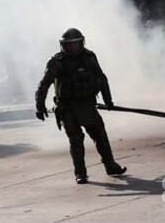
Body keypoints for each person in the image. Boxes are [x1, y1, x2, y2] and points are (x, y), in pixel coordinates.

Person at [35, 28, 126, 184]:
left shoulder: (89, 57)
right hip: (67, 108)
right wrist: (40, 105)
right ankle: (80, 174)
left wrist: (108, 100)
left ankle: (110, 166)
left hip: (87, 105)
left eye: (76, 44)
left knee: (100, 136)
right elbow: (44, 85)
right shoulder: (57, 62)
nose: (73, 48)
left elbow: (102, 79)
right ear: (63, 45)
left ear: (81, 43)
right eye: (69, 45)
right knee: (76, 141)